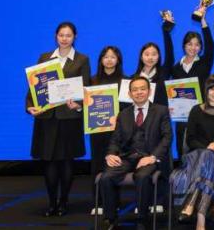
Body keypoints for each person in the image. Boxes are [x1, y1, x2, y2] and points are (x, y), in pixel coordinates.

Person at [26, 21, 91, 217]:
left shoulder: (82, 59)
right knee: (49, 161)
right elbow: (34, 86)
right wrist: (29, 106)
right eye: (61, 35)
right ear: (56, 36)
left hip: (69, 117)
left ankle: (64, 202)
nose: (64, 38)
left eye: (68, 35)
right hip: (47, 117)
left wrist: (78, 104)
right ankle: (52, 202)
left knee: (66, 161)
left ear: (75, 37)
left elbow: (86, 87)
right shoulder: (45, 57)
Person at [100, 77, 172, 230]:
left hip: (149, 157)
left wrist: (152, 157)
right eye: (135, 90)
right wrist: (110, 154)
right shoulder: (123, 114)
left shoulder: (161, 110)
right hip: (127, 156)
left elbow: (167, 138)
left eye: (142, 89)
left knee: (142, 176)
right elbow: (115, 139)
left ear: (149, 91)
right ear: (129, 93)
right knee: (106, 177)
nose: (139, 92)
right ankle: (111, 218)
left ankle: (142, 219)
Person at [171, 74, 214, 229]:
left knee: (208, 162)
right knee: (206, 157)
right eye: (212, 89)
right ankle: (200, 221)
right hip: (197, 156)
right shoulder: (196, 110)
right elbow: (190, 139)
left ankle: (192, 206)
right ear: (206, 90)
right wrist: (207, 147)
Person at [161, 7, 214, 157]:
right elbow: (169, 54)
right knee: (182, 149)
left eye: (197, 44)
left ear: (201, 47)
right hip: (182, 116)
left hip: (201, 115)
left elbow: (211, 46)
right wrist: (166, 31)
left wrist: (203, 22)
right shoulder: (176, 68)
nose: (193, 48)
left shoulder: (204, 63)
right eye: (190, 44)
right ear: (184, 46)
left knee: (200, 150)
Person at [89, 46, 125, 215]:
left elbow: (127, 107)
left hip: (118, 131)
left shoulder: (125, 81)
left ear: (118, 60)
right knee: (97, 165)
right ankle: (98, 203)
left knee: (115, 166)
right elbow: (87, 105)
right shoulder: (92, 80)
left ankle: (114, 202)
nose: (109, 60)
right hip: (97, 130)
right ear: (101, 60)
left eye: (113, 57)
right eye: (106, 57)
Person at [132, 42, 168, 106]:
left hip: (159, 112)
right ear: (141, 57)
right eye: (147, 54)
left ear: (159, 57)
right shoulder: (132, 79)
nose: (150, 57)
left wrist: (167, 36)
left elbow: (170, 56)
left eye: (154, 54)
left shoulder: (163, 74)